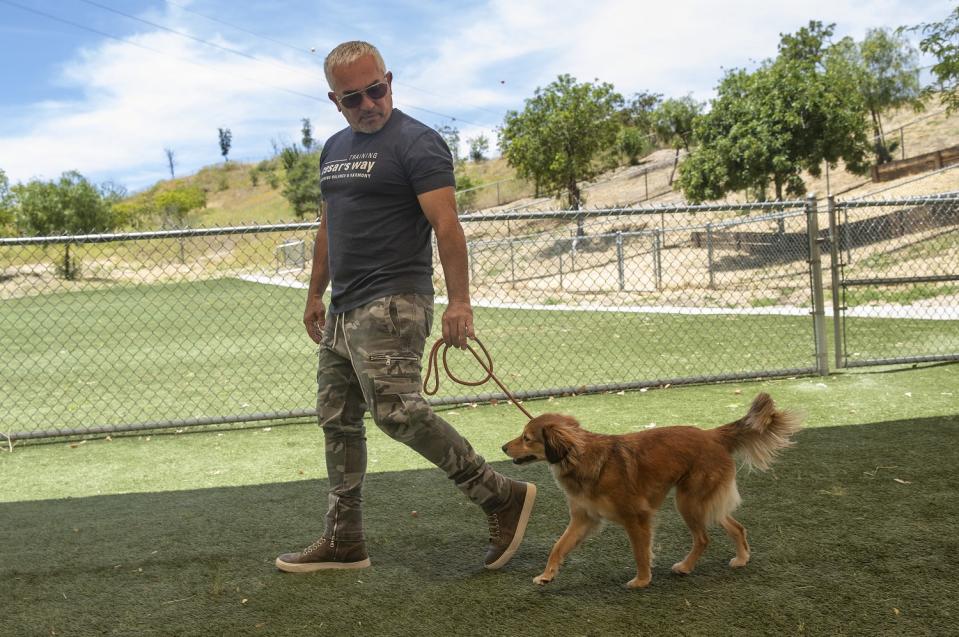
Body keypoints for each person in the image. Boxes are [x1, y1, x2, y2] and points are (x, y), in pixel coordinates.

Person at [275, 41, 536, 573]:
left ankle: (498, 495)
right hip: (344, 309)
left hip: (394, 300)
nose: (369, 103)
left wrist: (459, 301)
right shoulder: (332, 149)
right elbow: (328, 226)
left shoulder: (418, 143)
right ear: (335, 100)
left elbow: (447, 225)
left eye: (377, 89)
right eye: (354, 98)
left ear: (390, 80)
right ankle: (344, 539)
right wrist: (313, 295)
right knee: (337, 419)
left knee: (397, 413)